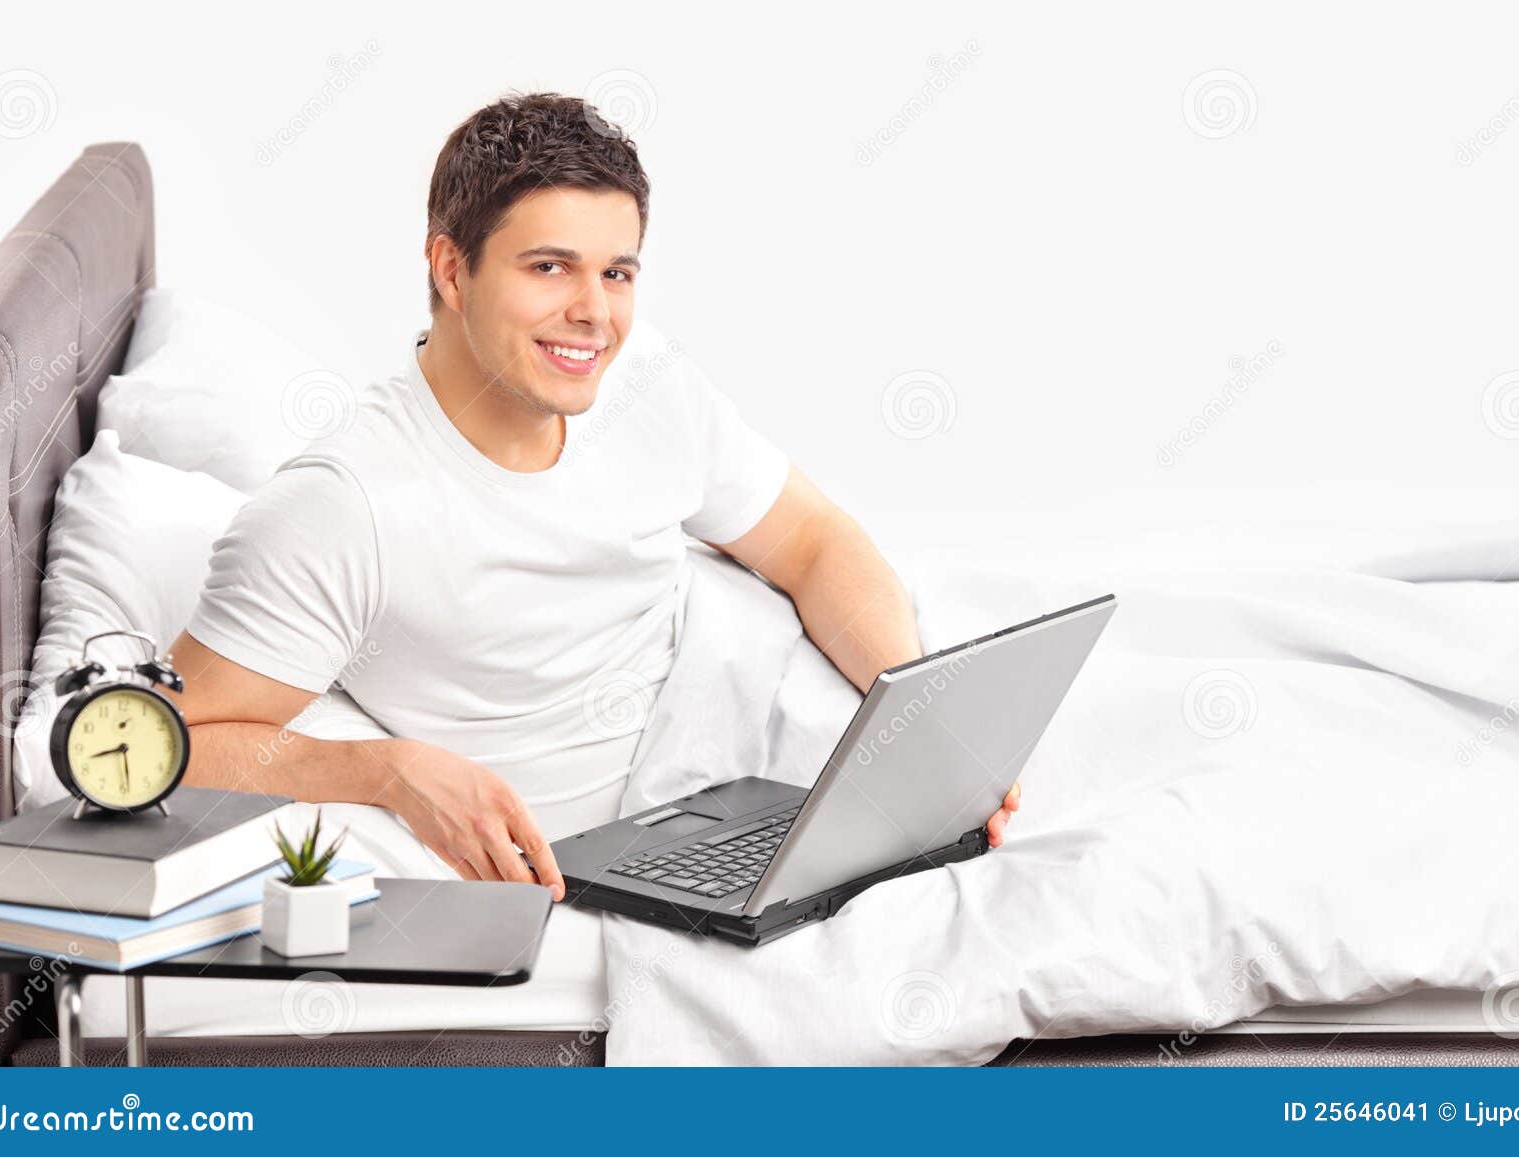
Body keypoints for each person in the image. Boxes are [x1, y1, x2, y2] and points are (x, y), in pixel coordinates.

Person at [170, 92, 1019, 900]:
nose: (595, 315)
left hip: (751, 737)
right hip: (640, 847)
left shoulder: (645, 382)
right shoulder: (344, 506)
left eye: (617, 273)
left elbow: (812, 541)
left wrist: (922, 719)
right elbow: (177, 740)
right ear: (451, 269)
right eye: (550, 267)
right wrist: (386, 770)